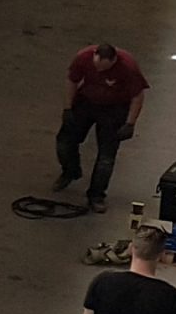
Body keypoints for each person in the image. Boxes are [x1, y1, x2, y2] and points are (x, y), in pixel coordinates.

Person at [55, 40, 148, 212]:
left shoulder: (128, 66)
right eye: (96, 66)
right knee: (64, 142)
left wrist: (130, 123)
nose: (99, 71)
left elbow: (137, 96)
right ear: (94, 55)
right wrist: (68, 108)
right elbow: (72, 80)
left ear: (114, 60)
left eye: (104, 69)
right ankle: (70, 171)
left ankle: (96, 195)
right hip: (86, 102)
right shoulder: (83, 57)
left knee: (106, 157)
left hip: (114, 109)